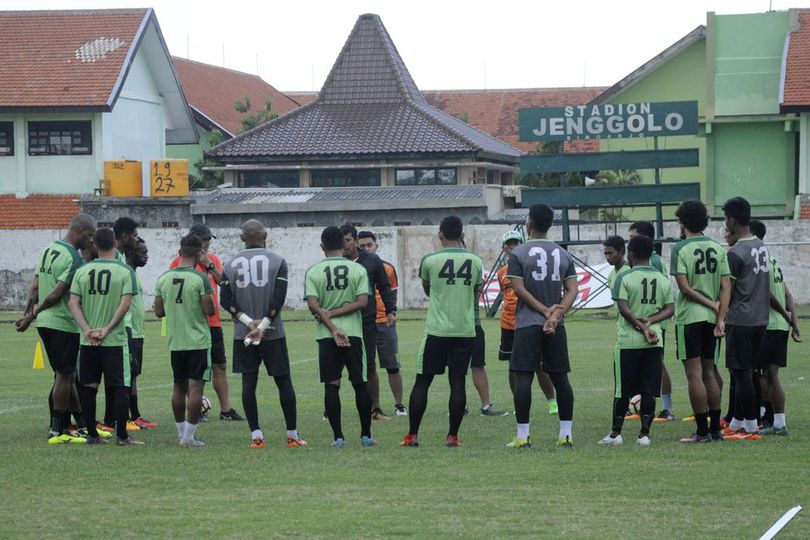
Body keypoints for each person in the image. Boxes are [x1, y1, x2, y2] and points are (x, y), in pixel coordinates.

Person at [220, 220, 306, 449]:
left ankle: (256, 435)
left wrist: (250, 324)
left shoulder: (229, 264)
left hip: (244, 334)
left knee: (249, 383)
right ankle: (292, 435)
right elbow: (280, 297)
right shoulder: (278, 261)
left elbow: (225, 301)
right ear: (265, 235)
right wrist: (264, 324)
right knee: (283, 381)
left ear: (242, 238)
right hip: (273, 333)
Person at [400, 216, 483, 448]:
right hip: (465, 330)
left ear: (440, 235)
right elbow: (477, 290)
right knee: (457, 382)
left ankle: (413, 435)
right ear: (462, 235)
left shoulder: (430, 260)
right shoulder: (475, 261)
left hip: (437, 330)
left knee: (422, 381)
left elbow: (428, 289)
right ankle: (452, 436)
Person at [16, 213, 96, 444]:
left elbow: (34, 286)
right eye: (89, 237)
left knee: (67, 374)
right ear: (80, 232)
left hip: (45, 324)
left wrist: (28, 313)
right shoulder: (73, 258)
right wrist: (33, 314)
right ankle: (57, 430)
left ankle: (80, 425)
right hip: (62, 322)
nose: (90, 242)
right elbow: (56, 293)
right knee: (64, 375)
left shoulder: (49, 249)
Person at [506, 204, 578, 449]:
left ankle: (523, 436)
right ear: (550, 225)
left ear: (529, 222)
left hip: (528, 323)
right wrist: (556, 314)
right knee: (561, 379)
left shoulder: (518, 253)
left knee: (523, 376)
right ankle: (566, 434)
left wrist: (545, 311)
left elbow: (518, 288)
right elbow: (572, 291)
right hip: (556, 326)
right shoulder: (563, 254)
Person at [68, 227, 142, 446]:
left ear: (95, 245)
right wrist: (107, 329)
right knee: (119, 386)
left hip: (88, 340)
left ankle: (92, 434)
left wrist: (87, 329)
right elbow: (125, 303)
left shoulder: (83, 270)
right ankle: (121, 436)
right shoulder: (124, 271)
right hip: (114, 340)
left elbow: (73, 303)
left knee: (89, 386)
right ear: (115, 245)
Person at [598, 235, 674, 446]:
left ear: (630, 254)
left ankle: (616, 434)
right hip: (654, 340)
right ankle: (644, 435)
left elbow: (623, 308)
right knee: (649, 389)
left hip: (628, 341)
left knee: (622, 390)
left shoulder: (624, 277)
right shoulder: (662, 279)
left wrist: (640, 326)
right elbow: (670, 309)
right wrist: (651, 322)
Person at [305, 226, 375, 448]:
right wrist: (339, 319)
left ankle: (338, 437)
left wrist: (330, 322)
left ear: (322, 246)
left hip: (327, 335)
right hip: (353, 333)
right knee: (360, 383)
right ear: (343, 244)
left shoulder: (313, 271)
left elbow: (313, 304)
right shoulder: (357, 270)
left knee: (331, 384)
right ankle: (365, 435)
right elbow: (363, 302)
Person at [669, 201, 730, 443]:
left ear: (682, 222)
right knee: (709, 372)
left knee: (694, 376)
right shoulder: (718, 247)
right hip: (712, 319)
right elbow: (726, 286)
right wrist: (720, 315)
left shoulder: (679, 249)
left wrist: (708, 304)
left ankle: (702, 432)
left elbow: (684, 288)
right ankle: (716, 429)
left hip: (690, 318)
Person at [170, 224, 244, 421]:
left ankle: (226, 410)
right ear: (195, 239)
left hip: (212, 323)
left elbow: (224, 284)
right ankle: (194, 409)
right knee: (188, 372)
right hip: (189, 324)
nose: (208, 244)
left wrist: (209, 265)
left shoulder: (213, 260)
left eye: (209, 240)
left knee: (220, 366)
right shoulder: (179, 262)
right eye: (205, 240)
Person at [716, 197, 770, 441]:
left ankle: (750, 427)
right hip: (760, 319)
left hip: (741, 319)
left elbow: (728, 290)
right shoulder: (761, 245)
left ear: (732, 220)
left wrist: (721, 318)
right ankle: (739, 421)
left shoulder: (735, 252)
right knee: (750, 371)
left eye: (726, 218)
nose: (725, 223)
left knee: (741, 373)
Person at [155, 234, 215, 448]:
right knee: (196, 387)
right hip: (198, 341)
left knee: (178, 387)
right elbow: (210, 309)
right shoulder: (201, 279)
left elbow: (158, 311)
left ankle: (182, 434)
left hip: (175, 341)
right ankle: (189, 437)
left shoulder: (163, 278)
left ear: (180, 252)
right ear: (199, 254)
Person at [748, 220, 801, 436]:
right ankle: (776, 421)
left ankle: (773, 419)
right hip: (779, 326)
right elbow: (787, 293)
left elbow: (767, 295)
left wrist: (785, 316)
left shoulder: (759, 260)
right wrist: (793, 322)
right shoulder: (774, 260)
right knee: (772, 374)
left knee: (765, 374)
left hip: (769, 325)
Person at [499, 231, 558, 415]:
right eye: (509, 244)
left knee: (539, 365)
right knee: (513, 366)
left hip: (530, 321)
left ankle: (552, 402)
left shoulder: (529, 267)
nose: (512, 247)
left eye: (516, 243)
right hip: (508, 324)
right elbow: (505, 295)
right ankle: (519, 403)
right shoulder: (502, 272)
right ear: (504, 248)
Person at [341, 225, 396, 421]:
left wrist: (390, 310)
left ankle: (376, 409)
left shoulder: (371, 260)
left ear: (354, 240)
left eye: (347, 240)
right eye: (342, 240)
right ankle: (329, 411)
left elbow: (384, 285)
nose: (344, 244)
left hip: (366, 321)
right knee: (337, 366)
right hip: (341, 322)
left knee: (370, 365)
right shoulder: (336, 261)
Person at [628, 221, 676, 421]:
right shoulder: (649, 260)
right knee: (648, 365)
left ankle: (666, 408)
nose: (629, 243)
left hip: (654, 322)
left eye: (633, 238)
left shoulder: (652, 262)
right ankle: (645, 405)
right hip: (648, 322)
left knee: (657, 365)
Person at [357, 231, 406, 416]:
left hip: (384, 322)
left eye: (369, 245)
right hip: (364, 322)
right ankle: (374, 406)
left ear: (376, 245)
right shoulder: (354, 267)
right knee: (367, 366)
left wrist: (390, 312)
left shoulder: (387, 268)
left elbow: (390, 293)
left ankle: (399, 404)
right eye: (362, 245)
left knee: (392, 365)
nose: (366, 248)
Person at [101, 217, 142, 434]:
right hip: (116, 326)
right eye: (134, 236)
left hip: (110, 325)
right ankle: (115, 422)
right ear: (124, 237)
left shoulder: (116, 257)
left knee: (115, 375)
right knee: (120, 376)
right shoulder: (115, 260)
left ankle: (111, 420)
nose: (136, 240)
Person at [125, 240, 157, 429]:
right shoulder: (127, 273)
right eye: (142, 253)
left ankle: (135, 415)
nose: (146, 256)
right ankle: (128, 417)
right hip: (130, 331)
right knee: (128, 375)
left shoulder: (133, 273)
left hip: (138, 332)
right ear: (130, 253)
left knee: (134, 374)